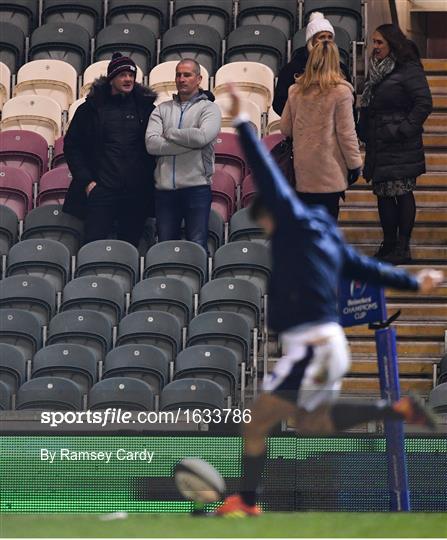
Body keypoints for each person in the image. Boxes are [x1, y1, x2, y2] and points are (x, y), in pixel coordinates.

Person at [215, 85, 443, 517]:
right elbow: (372, 271)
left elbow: (266, 173)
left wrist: (244, 121)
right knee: (308, 423)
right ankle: (394, 409)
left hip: (312, 345)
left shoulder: (294, 221)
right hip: (327, 344)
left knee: (259, 420)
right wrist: (417, 283)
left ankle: (245, 501)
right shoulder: (328, 241)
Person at [63, 53, 157, 248]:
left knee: (129, 248)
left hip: (136, 191)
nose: (128, 79)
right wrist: (88, 182)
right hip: (101, 190)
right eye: (122, 75)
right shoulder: (89, 109)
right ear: (111, 78)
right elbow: (72, 146)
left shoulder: (146, 107)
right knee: (93, 246)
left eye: (131, 75)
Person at [358, 25, 433, 264]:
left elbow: (424, 103)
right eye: (373, 42)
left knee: (401, 193)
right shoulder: (377, 70)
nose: (375, 47)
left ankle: (403, 246)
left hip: (400, 143)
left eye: (379, 42)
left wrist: (403, 130)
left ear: (392, 43)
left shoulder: (408, 68)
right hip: (379, 143)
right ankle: (389, 243)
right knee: (383, 194)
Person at [145, 59, 222, 252]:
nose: (181, 79)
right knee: (164, 247)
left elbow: (203, 137)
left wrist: (170, 133)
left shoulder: (209, 108)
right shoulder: (162, 109)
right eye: (178, 75)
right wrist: (191, 143)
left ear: (199, 79)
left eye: (187, 75)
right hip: (164, 191)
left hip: (196, 188)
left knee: (196, 246)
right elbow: (151, 145)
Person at [280, 41, 362, 220]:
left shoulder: (295, 91)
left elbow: (285, 128)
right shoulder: (341, 92)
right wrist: (355, 164)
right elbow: (346, 133)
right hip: (329, 172)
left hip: (302, 171)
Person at [272, 12, 352, 116]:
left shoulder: (341, 69)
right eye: (322, 37)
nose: (326, 41)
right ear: (311, 41)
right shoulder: (292, 69)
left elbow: (350, 106)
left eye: (329, 37)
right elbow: (279, 104)